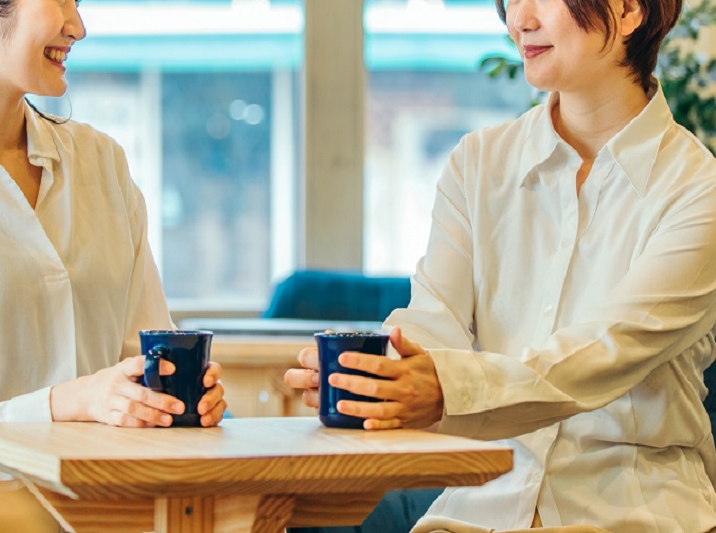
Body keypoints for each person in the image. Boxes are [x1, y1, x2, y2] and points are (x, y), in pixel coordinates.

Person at [286, 0, 716, 531]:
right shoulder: (477, 164)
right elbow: (432, 320)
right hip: (475, 512)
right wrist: (376, 375)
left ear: (629, 10)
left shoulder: (699, 191)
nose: (520, 19)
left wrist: (442, 389)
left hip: (633, 514)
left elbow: (605, 354)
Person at [0, 0, 227, 481]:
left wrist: (175, 399)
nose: (77, 26)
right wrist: (72, 404)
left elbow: (142, 362)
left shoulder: (102, 162)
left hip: (120, 512)